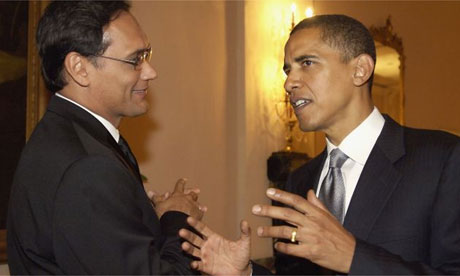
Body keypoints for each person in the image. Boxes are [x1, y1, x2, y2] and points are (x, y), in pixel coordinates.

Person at [179, 14, 460, 275]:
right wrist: (247, 273)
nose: (289, 83)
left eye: (307, 63)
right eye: (288, 70)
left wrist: (354, 257)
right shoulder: (299, 183)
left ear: (360, 70)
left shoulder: (441, 160)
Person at [7, 1, 205, 274]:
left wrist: (153, 221)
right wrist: (178, 219)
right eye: (135, 60)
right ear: (80, 68)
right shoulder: (86, 169)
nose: (150, 71)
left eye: (147, 54)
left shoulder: (65, 136)